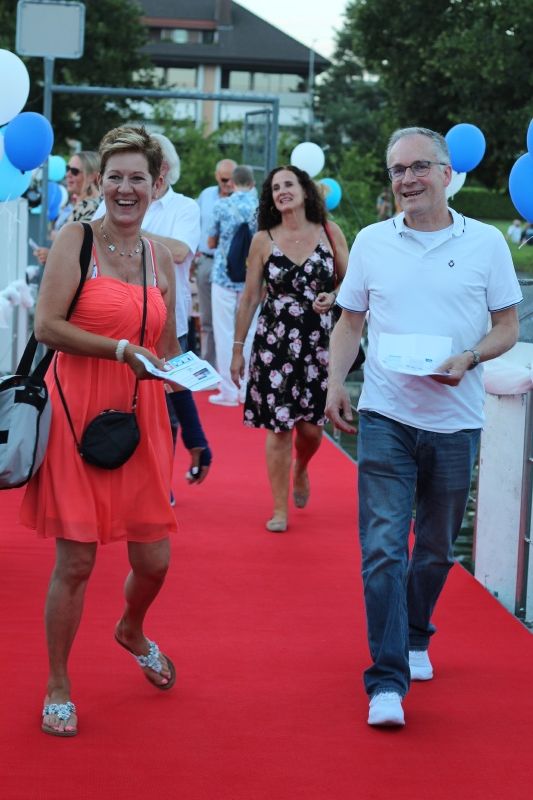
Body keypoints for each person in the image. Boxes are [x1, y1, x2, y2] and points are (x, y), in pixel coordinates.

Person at [325, 126, 522, 728]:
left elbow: (507, 327)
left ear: (445, 173)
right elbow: (350, 322)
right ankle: (387, 680)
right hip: (386, 414)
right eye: (397, 170)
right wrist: (334, 383)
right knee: (383, 548)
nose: (407, 179)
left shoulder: (486, 242)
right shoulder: (372, 242)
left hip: (456, 422)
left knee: (434, 549)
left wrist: (470, 357)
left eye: (418, 167)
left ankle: (414, 632)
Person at [20, 126, 196, 737]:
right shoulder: (77, 240)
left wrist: (186, 382)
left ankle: (131, 628)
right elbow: (46, 326)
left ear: (156, 185)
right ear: (100, 182)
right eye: (115, 176)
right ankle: (58, 683)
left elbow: (166, 351)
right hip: (76, 415)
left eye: (137, 178)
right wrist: (120, 349)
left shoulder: (160, 258)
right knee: (76, 561)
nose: (126, 188)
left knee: (155, 561)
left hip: (141, 419)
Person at [230, 165, 348, 532]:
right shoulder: (263, 239)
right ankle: (279, 509)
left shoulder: (330, 232)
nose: (282, 191)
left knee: (311, 430)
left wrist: (334, 295)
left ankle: (302, 467)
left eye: (289, 184)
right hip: (275, 345)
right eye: (275, 187)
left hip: (319, 344)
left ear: (305, 190)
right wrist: (237, 349)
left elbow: (352, 282)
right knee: (279, 428)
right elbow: (250, 298)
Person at [208, 164, 258, 407]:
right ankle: (246, 390)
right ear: (253, 184)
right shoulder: (260, 207)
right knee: (249, 333)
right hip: (251, 278)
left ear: (233, 183)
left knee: (224, 332)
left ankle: (228, 390)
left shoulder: (221, 205)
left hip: (223, 275)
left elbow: (211, 241)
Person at [195, 158, 237, 367]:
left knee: (230, 319)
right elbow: (196, 224)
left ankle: (230, 367)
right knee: (207, 319)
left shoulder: (242, 200)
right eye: (224, 179)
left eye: (232, 179)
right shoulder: (206, 195)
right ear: (217, 177)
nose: (229, 184)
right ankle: (209, 367)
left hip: (232, 266)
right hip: (206, 260)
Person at [33, 151, 101, 265]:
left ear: (92, 177)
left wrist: (52, 256)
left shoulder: (92, 207)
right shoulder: (77, 205)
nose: (68, 174)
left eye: (74, 171)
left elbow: (84, 253)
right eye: (67, 169)